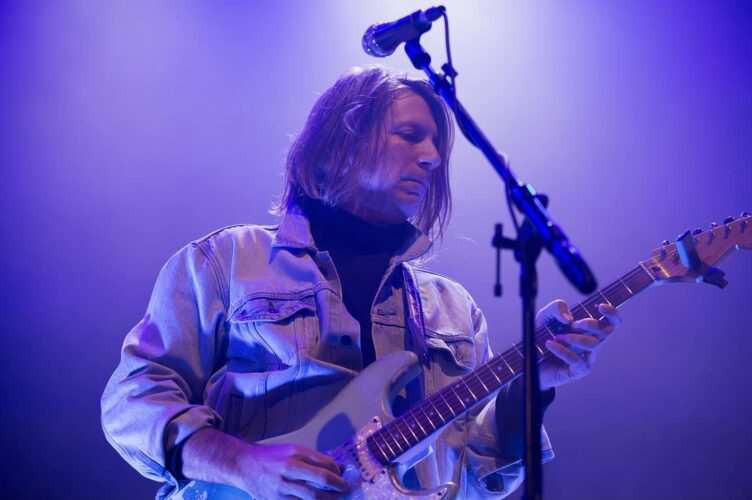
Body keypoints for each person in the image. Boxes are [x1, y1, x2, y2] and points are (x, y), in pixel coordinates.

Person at [101, 65, 621, 499]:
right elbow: (132, 402)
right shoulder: (226, 262)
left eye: (437, 144)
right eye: (410, 134)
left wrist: (533, 383)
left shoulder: (452, 310)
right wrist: (242, 464)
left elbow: (480, 480)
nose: (433, 157)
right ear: (338, 143)